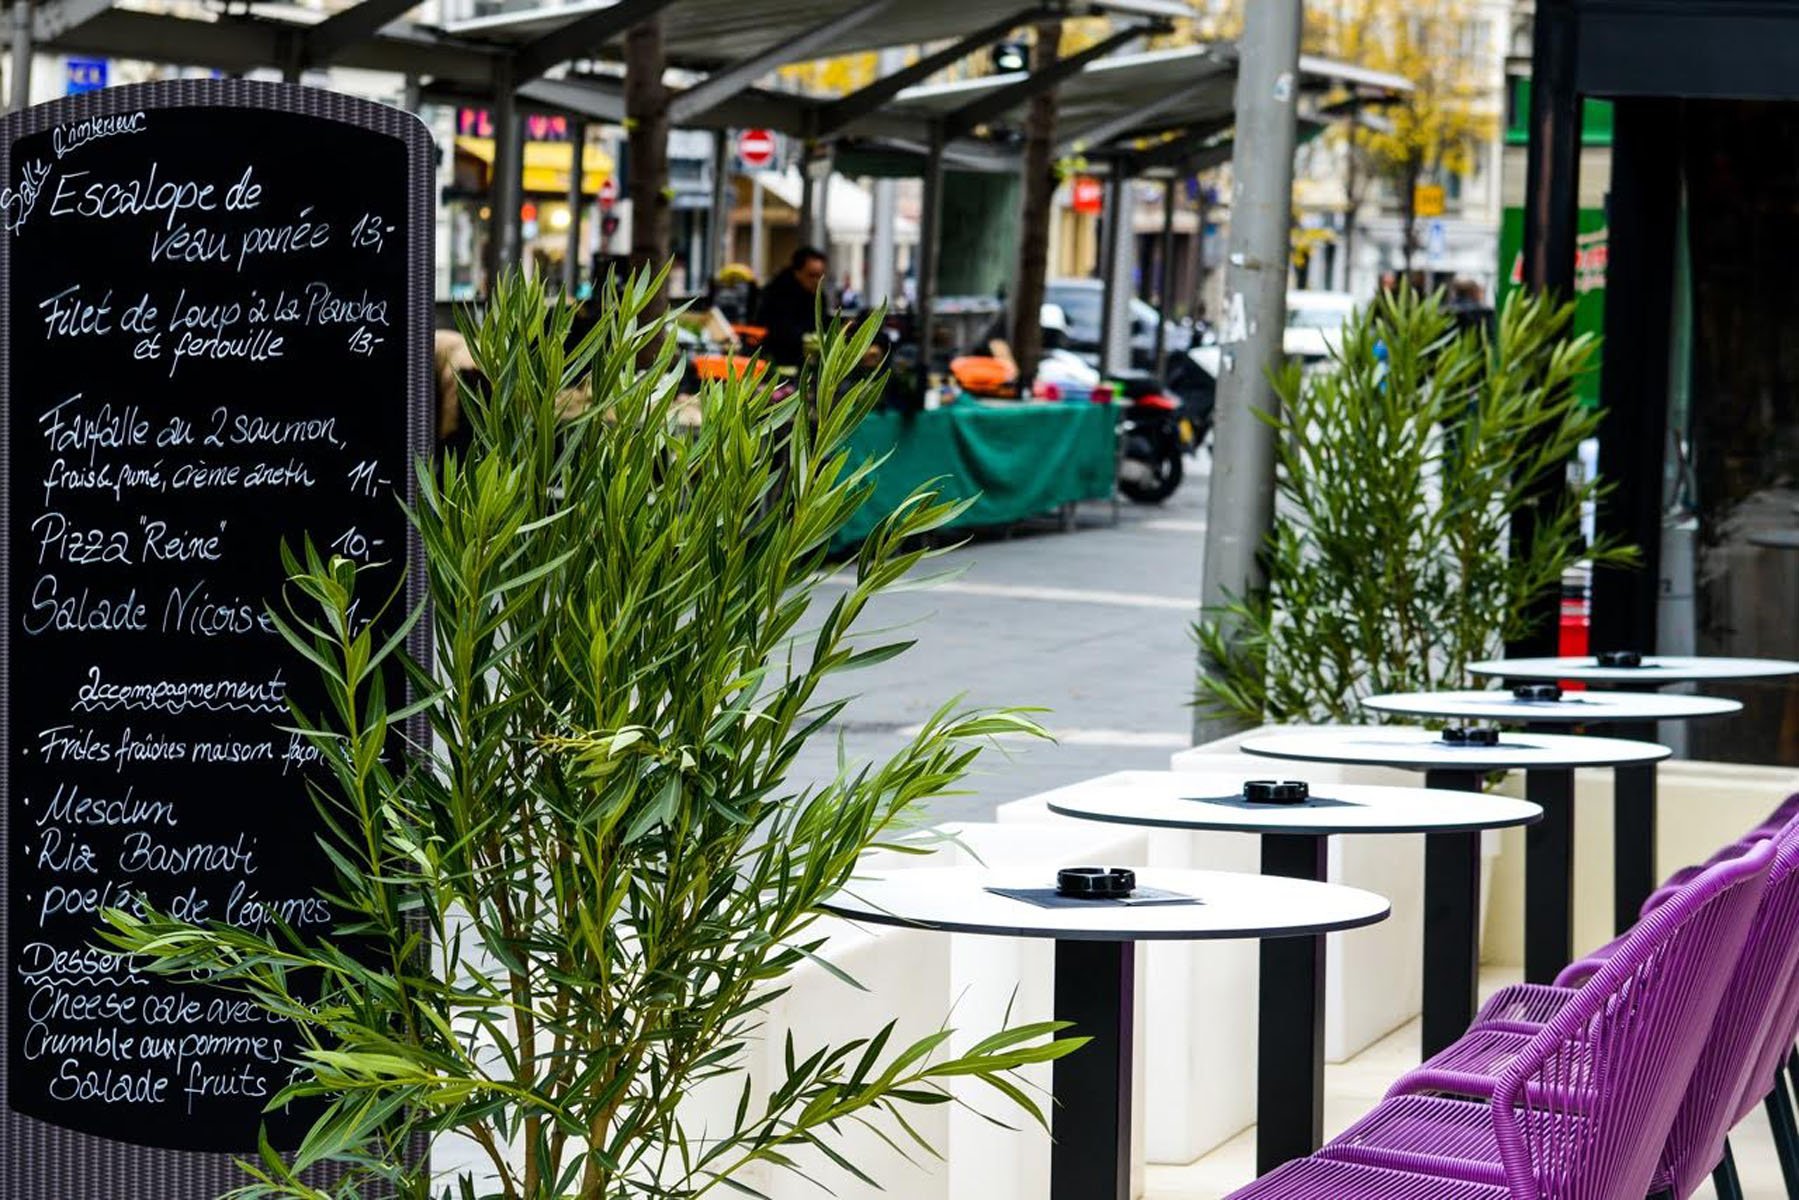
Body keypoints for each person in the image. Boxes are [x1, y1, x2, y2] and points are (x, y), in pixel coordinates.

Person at [754, 246, 829, 368]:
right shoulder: (778, 292)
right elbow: (777, 328)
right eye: (811, 275)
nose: (816, 281)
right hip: (777, 359)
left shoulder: (818, 295)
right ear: (797, 272)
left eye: (820, 276)